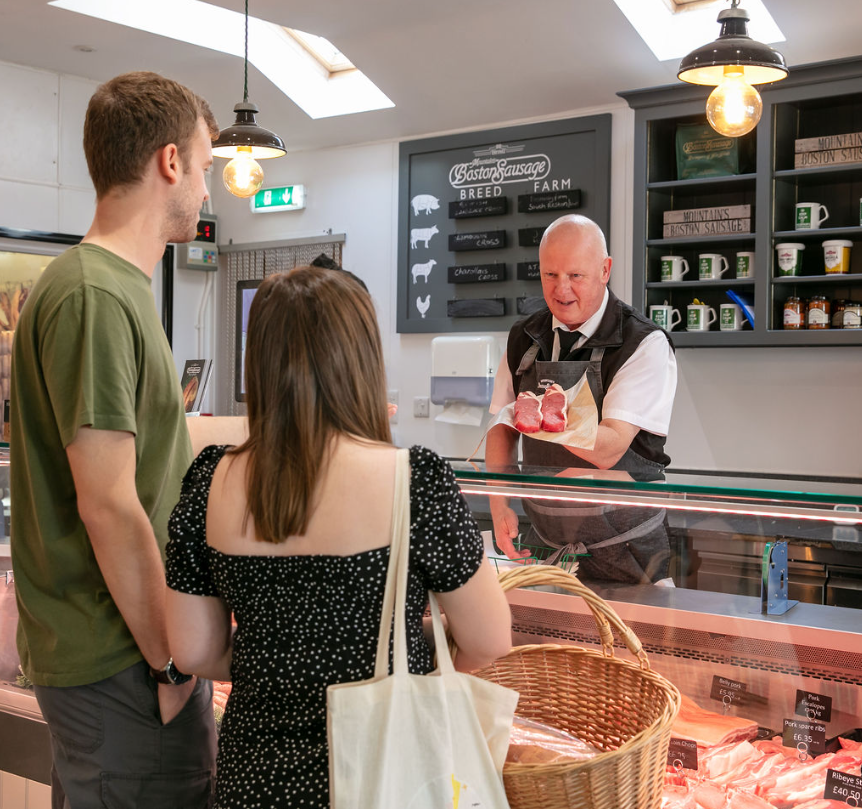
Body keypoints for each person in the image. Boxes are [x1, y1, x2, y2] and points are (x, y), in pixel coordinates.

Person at [164, 266, 512, 809]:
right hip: (386, 774)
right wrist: (392, 648)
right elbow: (490, 639)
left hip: (253, 780)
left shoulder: (210, 478)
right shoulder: (415, 479)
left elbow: (193, 650)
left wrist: (281, 656)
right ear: (362, 360)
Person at [10, 72, 219, 807]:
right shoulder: (96, 293)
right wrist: (169, 661)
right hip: (122, 659)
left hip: (118, 657)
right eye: (203, 165)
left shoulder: (111, 287)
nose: (205, 188)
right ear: (169, 162)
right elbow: (107, 503)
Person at [486, 214, 677, 583]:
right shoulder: (524, 336)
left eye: (576, 275)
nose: (562, 290)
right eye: (550, 275)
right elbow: (501, 426)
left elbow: (608, 449)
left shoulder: (643, 343)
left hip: (629, 554)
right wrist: (498, 504)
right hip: (545, 545)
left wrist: (536, 411)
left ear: (605, 270)